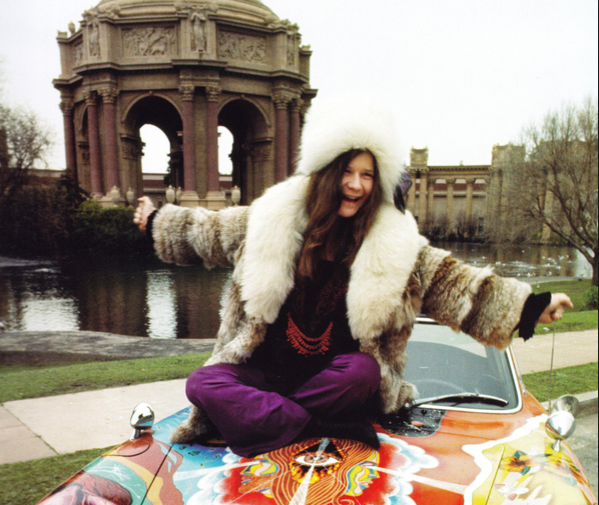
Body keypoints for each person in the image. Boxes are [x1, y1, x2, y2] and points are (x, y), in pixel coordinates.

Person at [134, 99, 571, 457]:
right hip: (269, 375)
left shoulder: (396, 244)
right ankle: (315, 426)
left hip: (334, 381)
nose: (356, 185)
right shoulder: (271, 219)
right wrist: (159, 221)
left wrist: (530, 306)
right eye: (347, 171)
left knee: (363, 371)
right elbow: (206, 232)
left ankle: (270, 423)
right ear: (327, 172)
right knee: (203, 382)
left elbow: (455, 284)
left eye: (367, 174)